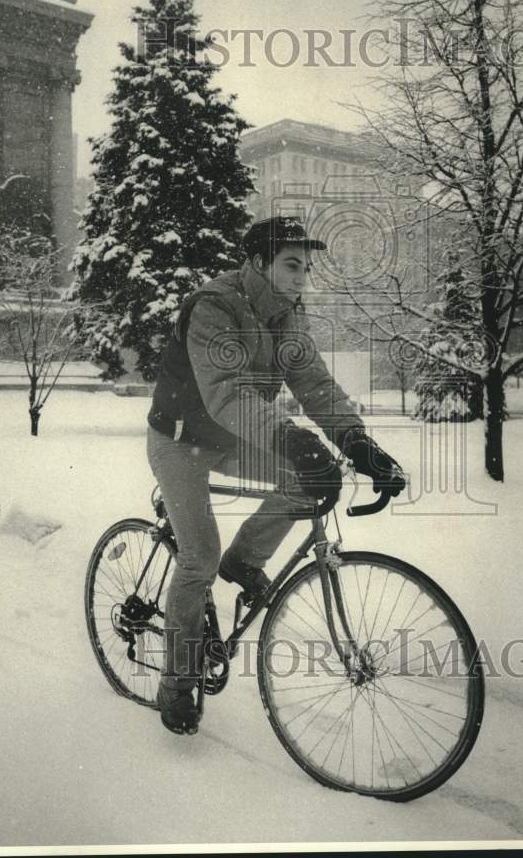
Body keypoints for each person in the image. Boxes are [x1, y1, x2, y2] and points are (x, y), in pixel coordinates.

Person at [146, 216, 405, 734]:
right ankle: (176, 683)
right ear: (258, 263)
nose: (302, 277)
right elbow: (225, 392)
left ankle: (244, 561)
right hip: (179, 441)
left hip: (234, 436)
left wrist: (358, 443)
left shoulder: (287, 315)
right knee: (198, 559)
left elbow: (314, 383)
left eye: (306, 267)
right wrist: (290, 438)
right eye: (291, 265)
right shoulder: (213, 306)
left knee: (310, 479)